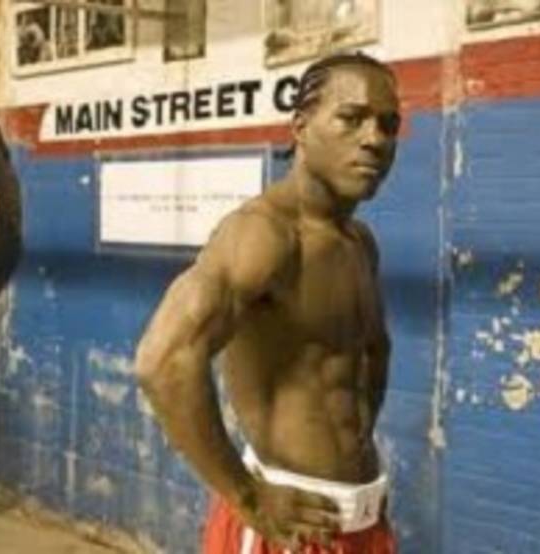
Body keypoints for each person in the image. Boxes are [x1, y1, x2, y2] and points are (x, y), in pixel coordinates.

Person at [135, 52, 400, 554]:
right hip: (290, 527)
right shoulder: (264, 235)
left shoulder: (359, 243)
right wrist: (247, 496)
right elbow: (163, 361)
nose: (374, 138)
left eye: (389, 124)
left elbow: (369, 360)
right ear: (300, 128)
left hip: (365, 519)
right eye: (351, 118)